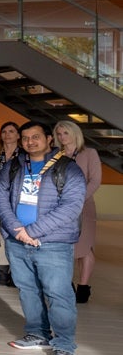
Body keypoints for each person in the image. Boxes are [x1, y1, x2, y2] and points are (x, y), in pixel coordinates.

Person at [0, 121, 84, 355]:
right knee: (27, 290)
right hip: (17, 241)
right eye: (25, 138)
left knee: (58, 294)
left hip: (52, 242)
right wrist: (16, 230)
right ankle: (37, 334)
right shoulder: (13, 166)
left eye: (35, 137)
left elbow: (71, 207)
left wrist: (32, 231)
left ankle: (64, 344)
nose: (29, 142)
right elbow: (0, 196)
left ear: (48, 139)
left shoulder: (68, 168)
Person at [53, 120, 101, 304]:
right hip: (59, 207)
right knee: (65, 246)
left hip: (83, 206)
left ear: (75, 133)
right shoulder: (56, 155)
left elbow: (95, 180)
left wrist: (78, 200)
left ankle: (83, 287)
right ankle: (67, 285)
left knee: (85, 246)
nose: (62, 137)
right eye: (59, 134)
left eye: (65, 133)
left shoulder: (89, 153)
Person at [0, 121, 22, 287]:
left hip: (17, 204)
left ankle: (16, 275)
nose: (7, 135)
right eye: (4, 132)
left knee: (15, 239)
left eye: (11, 131)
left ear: (18, 135)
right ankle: (1, 274)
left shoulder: (24, 154)